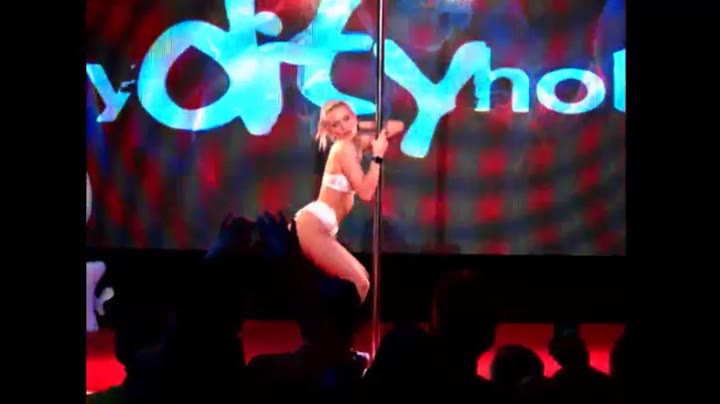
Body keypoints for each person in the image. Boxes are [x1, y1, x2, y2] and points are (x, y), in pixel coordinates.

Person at [293, 100, 405, 302]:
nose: (343, 127)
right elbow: (365, 192)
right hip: (313, 224)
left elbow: (398, 126)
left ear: (354, 117)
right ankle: (335, 322)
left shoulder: (355, 143)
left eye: (346, 118)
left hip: (323, 225)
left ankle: (331, 320)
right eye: (335, 124)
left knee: (361, 280)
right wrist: (377, 157)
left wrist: (357, 125)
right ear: (330, 130)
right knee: (359, 283)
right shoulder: (343, 149)